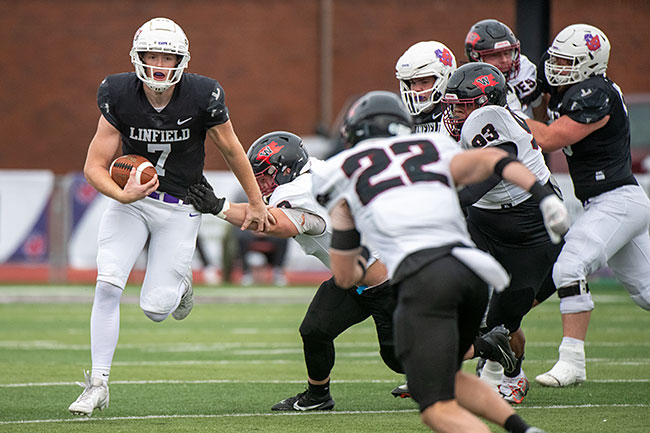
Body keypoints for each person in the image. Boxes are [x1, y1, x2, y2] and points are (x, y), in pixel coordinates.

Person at [311, 90, 566, 433]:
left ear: (353, 132)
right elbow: (493, 161)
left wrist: (360, 266)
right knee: (448, 377)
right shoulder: (433, 146)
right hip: (472, 271)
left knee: (433, 406)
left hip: (423, 277)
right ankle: (524, 430)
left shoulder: (339, 171)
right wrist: (542, 196)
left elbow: (344, 276)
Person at [68, 17, 271, 417]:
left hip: (180, 206)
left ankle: (181, 287)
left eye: (168, 56)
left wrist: (257, 201)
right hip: (131, 203)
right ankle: (98, 384)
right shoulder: (118, 93)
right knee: (108, 283)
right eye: (152, 55)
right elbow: (94, 165)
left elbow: (232, 149)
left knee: (156, 309)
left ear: (182, 60)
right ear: (137, 57)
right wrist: (120, 194)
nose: (160, 64)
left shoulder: (202, 94)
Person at [185, 131, 403, 411]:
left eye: (265, 175)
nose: (259, 183)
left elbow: (275, 224)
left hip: (386, 283)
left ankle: (472, 350)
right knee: (315, 330)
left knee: (397, 358)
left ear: (286, 169)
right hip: (352, 276)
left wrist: (218, 207)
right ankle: (318, 396)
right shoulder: (316, 171)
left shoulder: (297, 191)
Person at [525, 24, 650, 387]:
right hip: (616, 202)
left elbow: (549, 139)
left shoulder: (596, 92)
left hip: (616, 201)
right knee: (647, 294)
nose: (557, 67)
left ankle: (572, 362)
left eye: (567, 61)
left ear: (590, 64)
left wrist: (504, 118)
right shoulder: (570, 88)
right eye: (556, 59)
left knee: (569, 267)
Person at [441, 62, 564, 403]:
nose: (455, 113)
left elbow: (493, 170)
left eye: (463, 106)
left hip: (528, 227)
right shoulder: (461, 123)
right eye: (453, 105)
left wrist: (446, 200)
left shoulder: (489, 118)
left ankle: (510, 371)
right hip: (483, 219)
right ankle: (438, 372)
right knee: (453, 291)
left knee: (499, 324)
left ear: (486, 102)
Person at [465, 19, 541, 119]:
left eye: (507, 53)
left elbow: (542, 116)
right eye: (494, 55)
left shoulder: (525, 69)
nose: (504, 60)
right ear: (475, 58)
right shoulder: (468, 85)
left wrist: (537, 97)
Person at [395, 41, 457, 133]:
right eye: (412, 82)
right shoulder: (403, 119)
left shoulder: (457, 115)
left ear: (446, 78)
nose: (416, 89)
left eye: (424, 82)